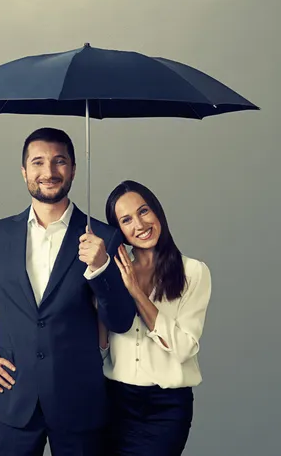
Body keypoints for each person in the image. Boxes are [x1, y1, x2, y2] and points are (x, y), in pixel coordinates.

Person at [0, 127, 135, 456]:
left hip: (81, 402)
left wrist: (101, 267)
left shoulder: (104, 237)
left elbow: (120, 320)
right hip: (14, 402)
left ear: (73, 169)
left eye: (59, 161)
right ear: (24, 172)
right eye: (38, 162)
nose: (48, 172)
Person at [97, 180, 212, 456]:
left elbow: (183, 347)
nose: (139, 224)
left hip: (166, 408)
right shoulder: (112, 272)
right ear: (119, 231)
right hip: (115, 401)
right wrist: (102, 287)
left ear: (157, 212)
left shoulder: (193, 272)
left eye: (144, 211)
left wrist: (136, 293)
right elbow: (102, 345)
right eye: (126, 220)